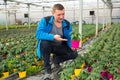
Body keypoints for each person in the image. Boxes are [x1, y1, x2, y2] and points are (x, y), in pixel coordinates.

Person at [36, 3, 78, 74]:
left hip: (60, 46)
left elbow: (71, 37)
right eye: (59, 15)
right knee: (44, 43)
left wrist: (74, 46)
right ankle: (47, 68)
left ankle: (56, 59)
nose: (61, 17)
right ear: (53, 13)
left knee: (75, 54)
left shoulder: (67, 24)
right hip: (49, 46)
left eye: (63, 14)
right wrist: (53, 37)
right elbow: (38, 34)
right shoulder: (45, 20)